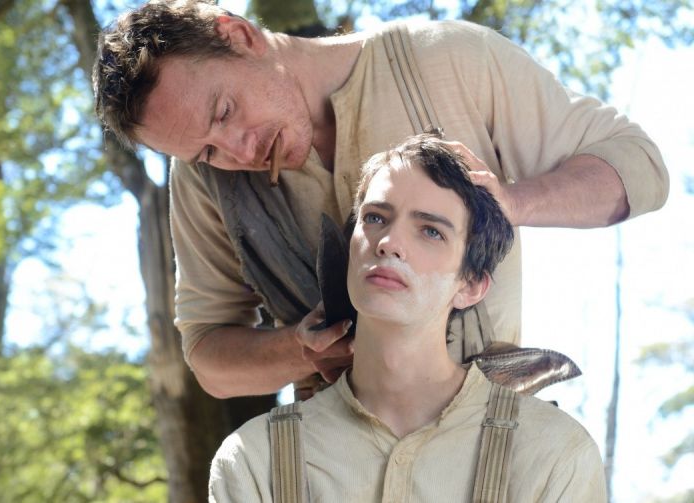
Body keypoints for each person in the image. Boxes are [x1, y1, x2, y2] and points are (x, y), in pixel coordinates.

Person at [92, 0, 669, 398]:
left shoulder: (447, 58)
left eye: (225, 112)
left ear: (239, 36)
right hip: (329, 468)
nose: (238, 151)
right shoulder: (201, 179)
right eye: (206, 151)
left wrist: (515, 203)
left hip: (496, 443)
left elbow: (638, 168)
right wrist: (300, 350)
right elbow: (210, 359)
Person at [208, 134, 606, 502]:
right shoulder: (255, 461)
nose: (389, 243)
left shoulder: (553, 455)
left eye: (430, 231)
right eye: (375, 218)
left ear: (471, 285)